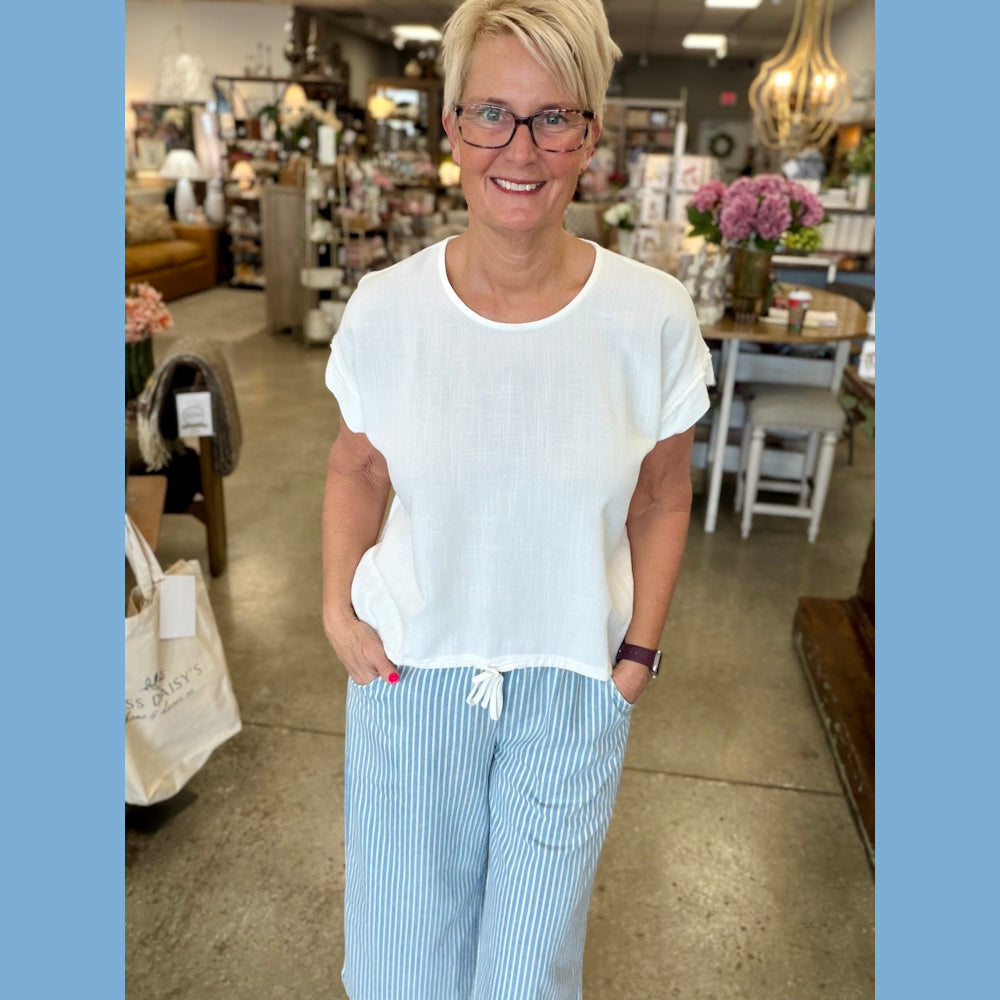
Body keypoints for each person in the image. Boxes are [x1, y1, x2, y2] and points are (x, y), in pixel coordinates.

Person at [321, 1, 714, 997]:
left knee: (527, 971)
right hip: (411, 675)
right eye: (490, 113)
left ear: (589, 132)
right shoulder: (388, 309)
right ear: (450, 126)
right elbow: (356, 466)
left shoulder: (650, 318)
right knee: (403, 961)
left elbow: (664, 492)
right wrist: (334, 607)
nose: (520, 149)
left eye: (552, 118)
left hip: (574, 679)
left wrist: (636, 654)